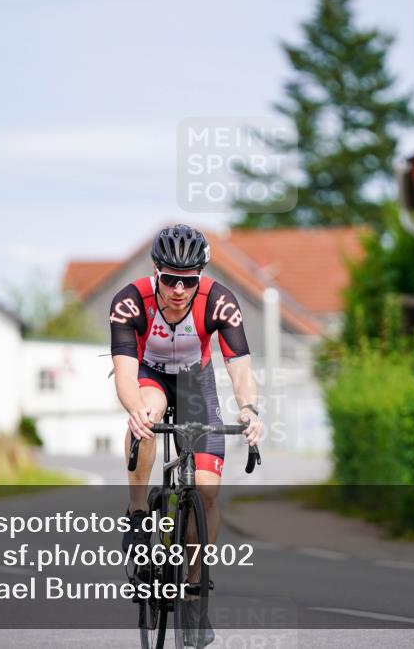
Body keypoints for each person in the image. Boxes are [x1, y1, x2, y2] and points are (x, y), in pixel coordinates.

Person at [109, 224, 263, 642]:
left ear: (200, 277)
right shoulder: (129, 302)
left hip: (196, 382)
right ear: (156, 272)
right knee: (147, 412)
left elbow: (240, 368)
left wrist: (249, 409)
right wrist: (134, 410)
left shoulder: (220, 302)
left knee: (208, 491)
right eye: (170, 279)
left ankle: (194, 592)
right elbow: (124, 375)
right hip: (150, 376)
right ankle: (139, 513)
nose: (179, 289)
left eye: (188, 281)